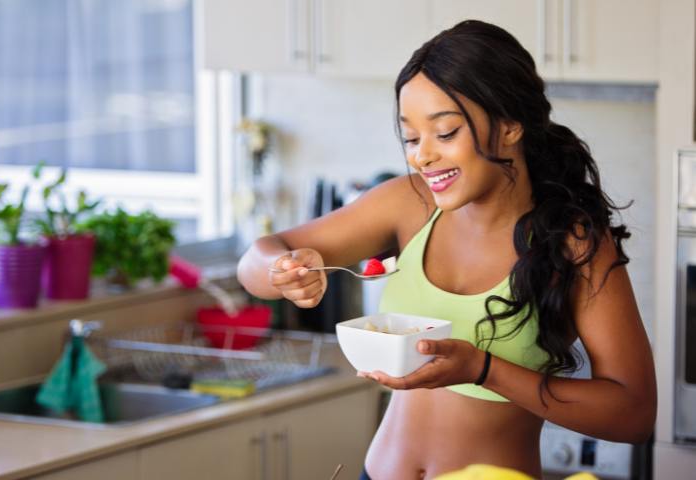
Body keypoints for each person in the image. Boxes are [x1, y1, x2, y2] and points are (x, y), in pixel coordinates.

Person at [236, 20, 656, 480]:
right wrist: (283, 268)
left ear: (511, 125)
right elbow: (256, 261)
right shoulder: (408, 203)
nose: (421, 156)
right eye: (412, 138)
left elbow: (633, 414)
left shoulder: (573, 243)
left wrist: (483, 370)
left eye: (446, 132)